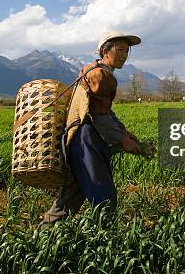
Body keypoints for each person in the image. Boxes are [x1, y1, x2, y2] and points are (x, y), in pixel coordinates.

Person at [39, 30, 144, 228]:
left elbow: (104, 110)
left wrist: (123, 131)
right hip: (87, 141)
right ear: (105, 50)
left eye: (127, 51)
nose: (124, 55)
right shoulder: (100, 75)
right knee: (104, 197)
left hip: (79, 139)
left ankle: (43, 235)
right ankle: (105, 241)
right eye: (120, 49)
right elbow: (98, 116)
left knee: (71, 196)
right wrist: (122, 140)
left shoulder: (95, 71)